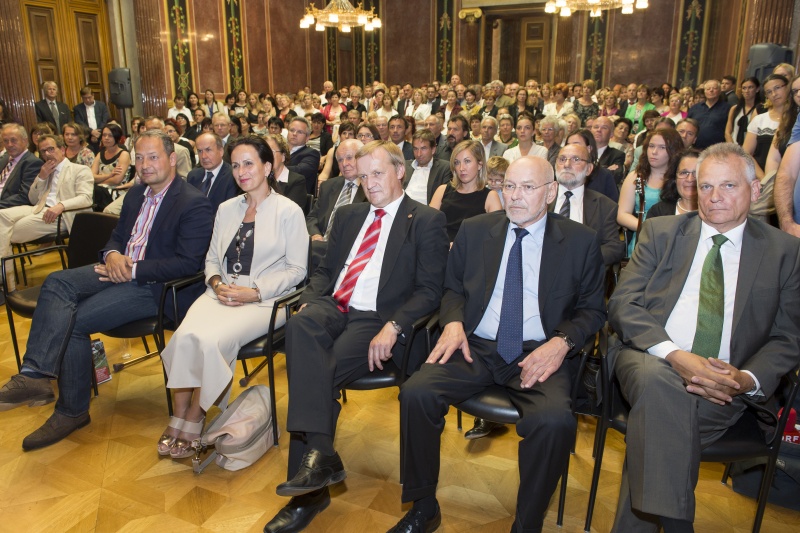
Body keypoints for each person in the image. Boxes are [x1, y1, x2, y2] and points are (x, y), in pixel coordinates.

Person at [392, 155, 606, 533]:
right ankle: (424, 506)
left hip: (537, 352)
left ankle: (527, 523)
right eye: (509, 186)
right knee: (416, 393)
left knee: (554, 421)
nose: (516, 197)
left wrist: (561, 344)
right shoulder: (476, 231)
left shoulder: (579, 241)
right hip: (476, 345)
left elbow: (592, 311)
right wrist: (454, 321)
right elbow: (452, 288)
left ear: (551, 192)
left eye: (528, 187)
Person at [607, 142, 800, 533]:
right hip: (649, 357)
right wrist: (677, 356)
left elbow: (788, 337)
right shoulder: (661, 232)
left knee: (658, 423)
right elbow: (623, 305)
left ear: (755, 190)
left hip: (723, 385)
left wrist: (744, 379)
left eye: (728, 186)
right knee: (659, 382)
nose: (714, 197)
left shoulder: (785, 251)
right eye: (705, 186)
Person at [262, 140, 449, 533]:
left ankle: (309, 489)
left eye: (377, 173)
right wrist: (310, 303)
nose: (369, 182)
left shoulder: (426, 220)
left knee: (314, 373)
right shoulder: (348, 216)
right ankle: (321, 459)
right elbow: (324, 273)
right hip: (334, 306)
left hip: (375, 318)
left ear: (400, 171)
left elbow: (430, 291)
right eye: (363, 176)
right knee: (298, 326)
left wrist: (395, 326)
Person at [0, 130, 213, 450]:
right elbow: (118, 237)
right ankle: (36, 374)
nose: (144, 165)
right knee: (57, 281)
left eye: (153, 157)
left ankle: (71, 411)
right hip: (118, 268)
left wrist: (132, 269)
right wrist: (113, 255)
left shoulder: (194, 203)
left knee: (75, 320)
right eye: (139, 158)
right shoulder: (135, 195)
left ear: (171, 159)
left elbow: (187, 263)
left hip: (155, 286)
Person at [159, 135, 308, 458]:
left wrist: (253, 292)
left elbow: (297, 270)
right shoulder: (226, 208)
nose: (241, 172)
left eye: (249, 163)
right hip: (220, 294)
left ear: (268, 167)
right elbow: (212, 258)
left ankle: (195, 419)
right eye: (236, 165)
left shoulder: (289, 212)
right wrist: (215, 283)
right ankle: (179, 416)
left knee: (210, 341)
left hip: (266, 301)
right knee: (185, 336)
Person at [0, 134, 93, 289]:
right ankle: (5, 280)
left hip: (63, 215)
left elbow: (86, 198)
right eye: (43, 151)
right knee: (2, 217)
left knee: (6, 232)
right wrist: (42, 178)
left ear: (62, 149)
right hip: (39, 208)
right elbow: (32, 198)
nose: (48, 154)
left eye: (51, 149)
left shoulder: (80, 170)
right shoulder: (45, 170)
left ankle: (7, 284)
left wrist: (61, 205)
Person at [618, 129, 684, 256]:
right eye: (651, 146)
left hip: (675, 241)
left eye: (662, 147)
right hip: (643, 239)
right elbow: (622, 214)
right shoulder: (635, 177)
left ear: (673, 150)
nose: (654, 152)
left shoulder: (682, 179)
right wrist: (648, 228)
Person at [306, 138, 367, 269]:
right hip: (320, 246)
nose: (344, 163)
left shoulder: (370, 188)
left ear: (362, 158)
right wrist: (316, 235)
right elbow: (312, 217)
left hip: (349, 249)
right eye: (340, 159)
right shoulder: (328, 186)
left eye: (350, 157)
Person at [430, 140, 503, 241]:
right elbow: (429, 228)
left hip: (472, 252)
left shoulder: (491, 197)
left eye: (467, 161)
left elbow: (495, 238)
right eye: (457, 163)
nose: (461, 168)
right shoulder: (442, 191)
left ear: (480, 164)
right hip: (441, 249)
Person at [742, 74, 789, 180]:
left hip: (790, 176)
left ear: (788, 87)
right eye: (769, 91)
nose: (774, 94)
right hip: (761, 176)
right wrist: (764, 178)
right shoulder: (760, 119)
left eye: (777, 88)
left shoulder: (796, 119)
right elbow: (746, 153)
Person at [187, 132, 238, 213]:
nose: (203, 156)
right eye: (200, 151)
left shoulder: (232, 176)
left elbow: (228, 212)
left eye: (208, 150)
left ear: (221, 151)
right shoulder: (193, 175)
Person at [565, 129, 620, 202]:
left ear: (589, 149)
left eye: (575, 144)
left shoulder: (604, 176)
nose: (571, 148)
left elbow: (612, 206)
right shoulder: (561, 172)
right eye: (568, 145)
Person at [402, 129, 453, 205]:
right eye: (415, 149)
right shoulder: (404, 166)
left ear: (433, 150)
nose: (419, 154)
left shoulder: (444, 168)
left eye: (423, 148)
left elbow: (446, 199)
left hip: (426, 211)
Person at [0, 124, 44, 210]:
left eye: (13, 140)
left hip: (9, 208)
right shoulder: (4, 159)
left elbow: (24, 197)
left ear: (25, 140)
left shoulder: (33, 163)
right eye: (5, 141)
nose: (9, 145)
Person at [646, 149, 700, 218]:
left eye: (696, 173)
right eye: (684, 173)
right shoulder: (658, 212)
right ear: (674, 178)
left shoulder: (714, 212)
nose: (690, 179)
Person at [90, 124, 132, 211]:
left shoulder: (123, 154)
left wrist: (99, 180)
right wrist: (109, 175)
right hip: (100, 190)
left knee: (94, 190)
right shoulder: (99, 154)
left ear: (117, 137)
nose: (106, 138)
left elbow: (117, 180)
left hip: (117, 191)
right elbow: (91, 177)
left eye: (110, 136)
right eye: (104, 135)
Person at [266, 133, 307, 211]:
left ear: (283, 156)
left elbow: (291, 212)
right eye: (264, 153)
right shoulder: (258, 179)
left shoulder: (297, 181)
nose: (267, 156)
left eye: (271, 152)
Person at [688, 79, 733, 149]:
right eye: (708, 89)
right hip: (696, 148)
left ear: (719, 91)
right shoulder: (695, 108)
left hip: (717, 149)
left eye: (714, 88)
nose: (711, 90)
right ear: (705, 92)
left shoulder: (728, 108)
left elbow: (730, 130)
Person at [285, 117, 321, 195]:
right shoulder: (280, 151)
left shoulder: (312, 154)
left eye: (300, 132)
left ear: (307, 138)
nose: (294, 134)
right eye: (292, 130)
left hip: (294, 197)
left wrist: (275, 168)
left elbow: (300, 171)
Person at [725, 77, 763, 146]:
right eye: (744, 88)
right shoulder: (734, 108)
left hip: (750, 148)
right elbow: (727, 132)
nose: (747, 91)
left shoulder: (760, 109)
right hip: (733, 147)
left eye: (750, 87)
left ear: (757, 89)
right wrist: (732, 147)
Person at [73, 87, 110, 151]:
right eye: (85, 98)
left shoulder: (101, 105)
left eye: (89, 97)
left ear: (93, 95)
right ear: (81, 97)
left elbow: (105, 120)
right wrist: (91, 132)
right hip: (86, 138)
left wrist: (96, 133)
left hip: (101, 136)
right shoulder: (77, 109)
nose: (87, 100)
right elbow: (79, 122)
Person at [592, 116, 627, 185]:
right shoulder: (581, 152)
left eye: (604, 128)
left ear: (611, 134)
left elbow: (613, 179)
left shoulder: (617, 155)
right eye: (596, 127)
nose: (598, 130)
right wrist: (605, 170)